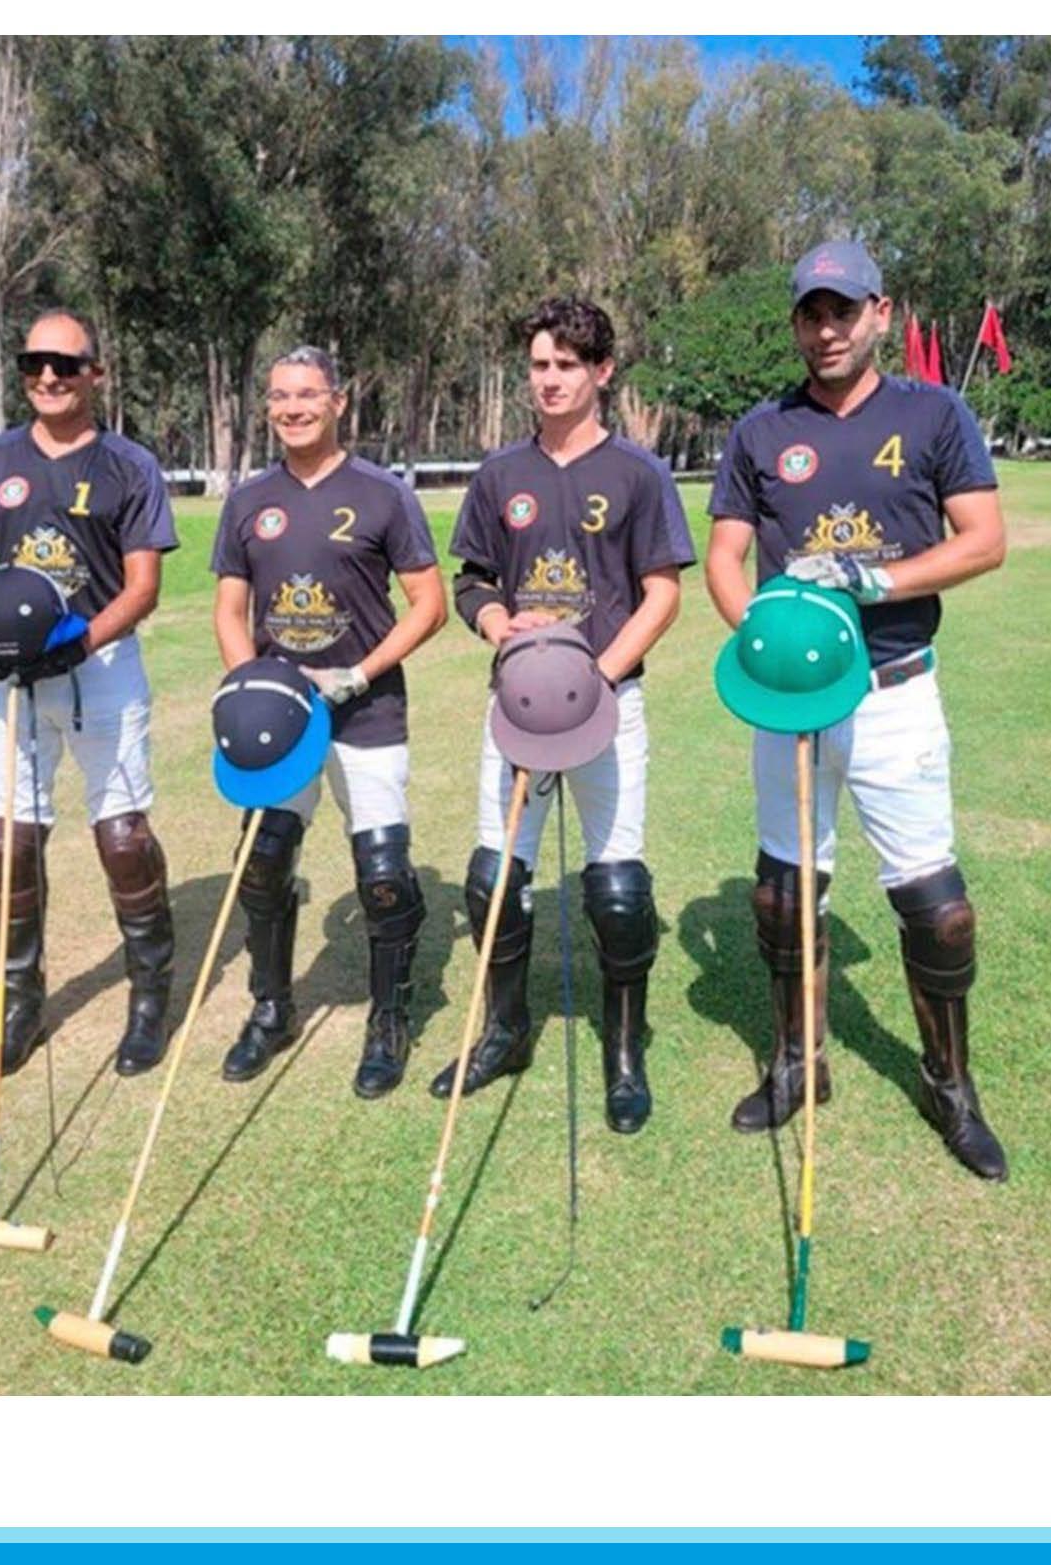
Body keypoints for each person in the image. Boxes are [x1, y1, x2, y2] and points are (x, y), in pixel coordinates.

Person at [705, 239, 1008, 1181]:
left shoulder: (933, 413)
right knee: (782, 893)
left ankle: (949, 1084)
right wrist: (762, 633)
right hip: (791, 703)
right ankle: (799, 1063)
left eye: (843, 310)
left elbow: (982, 540)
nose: (826, 329)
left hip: (893, 691)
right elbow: (723, 556)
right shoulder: (760, 430)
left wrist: (872, 580)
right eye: (810, 313)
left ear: (880, 313)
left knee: (936, 908)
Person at [439, 295, 696, 1134]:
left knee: (616, 889)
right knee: (493, 878)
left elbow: (661, 594)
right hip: (516, 706)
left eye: (566, 365)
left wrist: (596, 679)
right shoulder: (499, 475)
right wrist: (492, 623)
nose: (549, 380)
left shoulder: (638, 474)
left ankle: (623, 1055)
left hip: (608, 705)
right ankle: (505, 1031)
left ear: (602, 372)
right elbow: (471, 580)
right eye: (538, 366)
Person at [0, 309, 180, 1078]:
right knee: (8, 842)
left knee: (123, 836)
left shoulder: (128, 465)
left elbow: (142, 586)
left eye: (66, 364)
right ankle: (19, 1004)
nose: (48, 376)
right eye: (34, 362)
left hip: (99, 668)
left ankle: (148, 1000)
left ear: (94, 374)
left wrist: (78, 643)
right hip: (8, 676)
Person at [211, 345, 447, 1097]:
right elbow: (230, 608)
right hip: (280, 719)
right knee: (263, 860)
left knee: (382, 876)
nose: (293, 409)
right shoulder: (249, 500)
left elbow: (429, 605)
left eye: (307, 395)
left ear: (338, 402)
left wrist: (359, 674)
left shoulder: (383, 494)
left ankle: (389, 1019)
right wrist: (251, 683)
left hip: (366, 710)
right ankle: (270, 1008)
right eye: (280, 396)